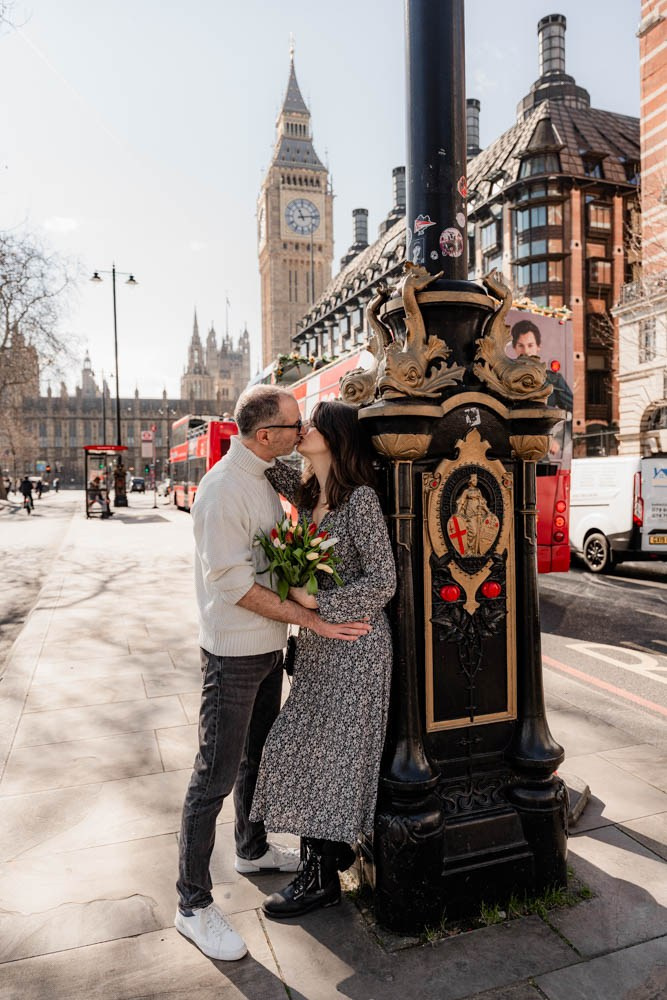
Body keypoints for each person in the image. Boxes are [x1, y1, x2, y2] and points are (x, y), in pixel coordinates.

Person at [175, 386, 372, 963]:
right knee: (213, 777)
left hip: (267, 648)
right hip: (233, 656)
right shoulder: (221, 491)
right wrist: (310, 615)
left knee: (255, 757)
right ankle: (192, 904)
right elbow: (234, 586)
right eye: (294, 424)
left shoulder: (266, 473)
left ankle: (251, 848)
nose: (301, 430)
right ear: (267, 436)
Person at [250, 399, 397, 920]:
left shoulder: (359, 501)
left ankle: (319, 880)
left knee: (327, 759)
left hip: (356, 647)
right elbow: (257, 450)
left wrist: (317, 604)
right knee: (302, 749)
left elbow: (383, 580)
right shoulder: (307, 490)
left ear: (335, 437)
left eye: (312, 423)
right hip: (317, 648)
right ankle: (327, 857)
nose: (302, 428)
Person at [510, 318, 573, 412]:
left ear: (538, 346)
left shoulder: (554, 379)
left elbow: (573, 408)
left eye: (530, 345)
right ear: (514, 347)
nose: (526, 351)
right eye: (521, 345)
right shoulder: (505, 377)